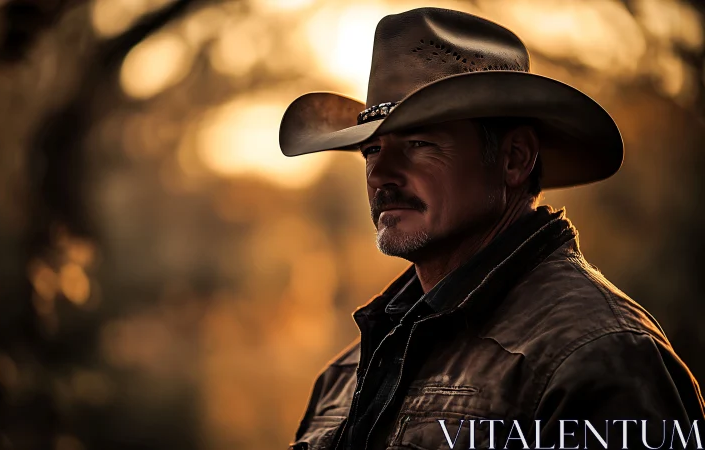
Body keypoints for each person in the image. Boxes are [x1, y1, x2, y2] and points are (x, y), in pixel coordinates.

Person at [278, 7, 705, 450]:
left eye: (419, 143)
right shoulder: (347, 376)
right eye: (370, 151)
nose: (379, 175)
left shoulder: (601, 356)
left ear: (515, 158)